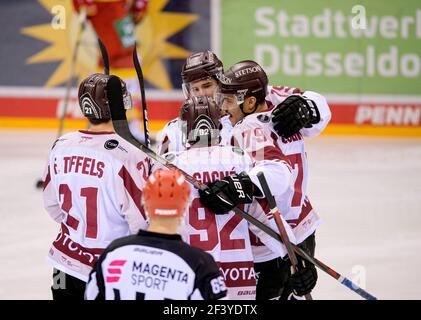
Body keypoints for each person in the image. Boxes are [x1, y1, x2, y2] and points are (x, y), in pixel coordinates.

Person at [206, 60, 331, 299]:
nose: (223, 106)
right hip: (293, 231)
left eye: (229, 100)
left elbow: (275, 174)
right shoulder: (259, 107)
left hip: (274, 238)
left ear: (251, 101)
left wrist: (240, 186)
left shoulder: (248, 126)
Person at [158, 96, 292, 299]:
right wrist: (294, 254)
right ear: (219, 126)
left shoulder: (168, 165)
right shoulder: (240, 159)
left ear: (184, 129)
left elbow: (154, 223)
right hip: (239, 275)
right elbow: (265, 217)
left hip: (188, 273)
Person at [42, 73, 150, 300]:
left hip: (64, 265)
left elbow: (52, 205)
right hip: (110, 269)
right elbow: (141, 222)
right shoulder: (129, 154)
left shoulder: (61, 145)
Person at [85, 169, 228, 300]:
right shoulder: (199, 263)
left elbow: (91, 296)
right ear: (186, 206)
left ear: (145, 203)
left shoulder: (114, 251)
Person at [157, 50, 226, 155]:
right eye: (195, 89)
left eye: (207, 86)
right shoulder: (173, 130)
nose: (202, 94)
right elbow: (161, 169)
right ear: (188, 93)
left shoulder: (237, 125)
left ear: (220, 85)